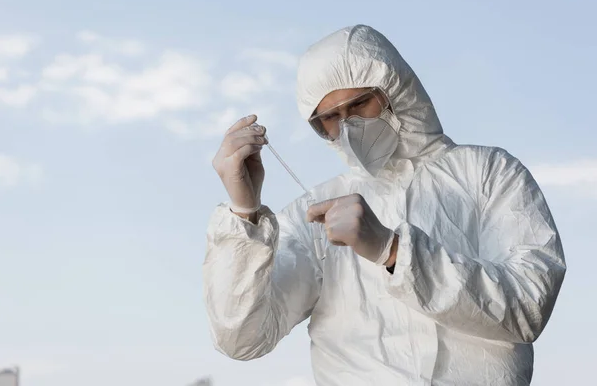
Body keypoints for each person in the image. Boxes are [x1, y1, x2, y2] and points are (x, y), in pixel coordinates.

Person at [203, 24, 566, 385]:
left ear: (396, 90)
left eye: (360, 103)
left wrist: (393, 252)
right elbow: (243, 339)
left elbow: (527, 307)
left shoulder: (488, 173)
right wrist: (244, 214)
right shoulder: (314, 212)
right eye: (329, 117)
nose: (347, 126)